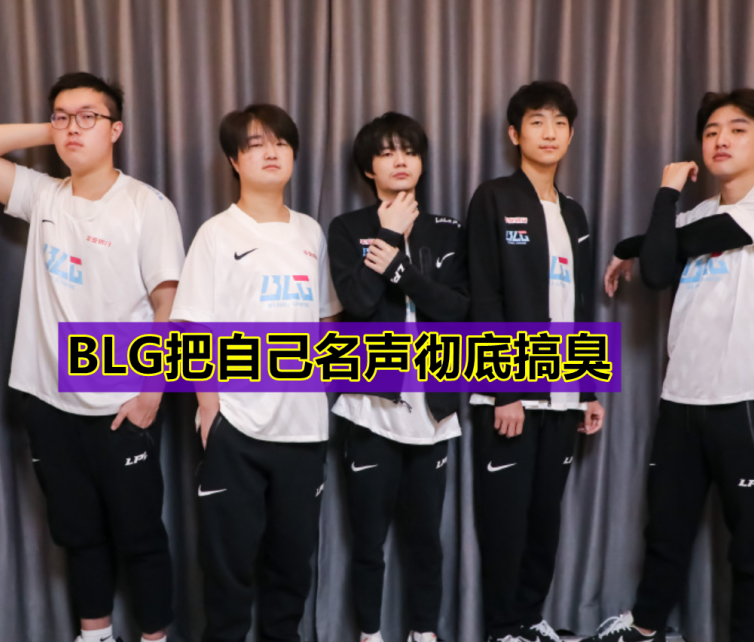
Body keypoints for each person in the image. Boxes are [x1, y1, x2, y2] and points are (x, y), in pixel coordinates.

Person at [0, 72, 184, 642]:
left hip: (122, 401)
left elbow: (169, 301)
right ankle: (94, 635)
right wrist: (53, 131)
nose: (74, 127)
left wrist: (152, 391)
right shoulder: (44, 194)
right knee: (78, 535)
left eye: (89, 117)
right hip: (47, 400)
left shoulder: (147, 205)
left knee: (140, 536)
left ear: (116, 129)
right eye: (62, 116)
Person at [587, 89, 754, 642]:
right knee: (666, 531)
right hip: (681, 398)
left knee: (753, 542)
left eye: (737, 129)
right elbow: (659, 269)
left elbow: (684, 244)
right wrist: (650, 236)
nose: (720, 140)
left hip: (750, 398)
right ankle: (645, 630)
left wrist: (652, 214)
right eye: (711, 132)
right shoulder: (696, 212)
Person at [170, 103, 341, 642]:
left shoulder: (311, 233)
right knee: (227, 570)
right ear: (234, 160)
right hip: (237, 426)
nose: (271, 152)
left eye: (281, 143)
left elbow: (327, 321)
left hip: (304, 431)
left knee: (291, 569)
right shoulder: (216, 234)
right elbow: (192, 326)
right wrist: (209, 407)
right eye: (256, 144)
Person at [465, 81, 606, 642]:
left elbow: (583, 305)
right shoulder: (494, 197)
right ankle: (502, 627)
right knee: (506, 519)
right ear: (514, 133)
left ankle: (530, 618)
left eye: (559, 123)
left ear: (570, 135)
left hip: (564, 390)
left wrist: (590, 387)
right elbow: (484, 295)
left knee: (545, 516)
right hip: (510, 393)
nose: (549, 133)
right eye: (537, 122)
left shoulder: (575, 213)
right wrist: (505, 388)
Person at [327, 111, 468, 642]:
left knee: (426, 539)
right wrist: (386, 235)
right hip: (370, 404)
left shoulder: (449, 230)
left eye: (408, 150)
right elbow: (358, 305)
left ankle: (423, 633)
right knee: (368, 540)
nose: (400, 161)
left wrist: (401, 270)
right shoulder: (348, 228)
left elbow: (459, 310)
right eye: (386, 153)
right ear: (369, 168)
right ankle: (370, 634)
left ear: (422, 161)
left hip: (434, 405)